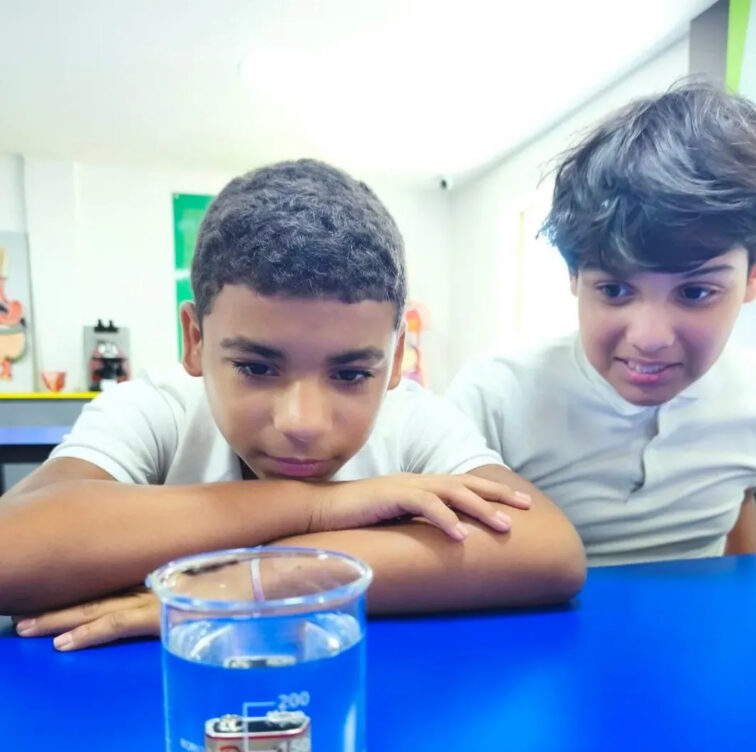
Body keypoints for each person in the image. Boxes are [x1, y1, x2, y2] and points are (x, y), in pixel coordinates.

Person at [0, 159, 585, 649]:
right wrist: (319, 506)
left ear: (396, 358)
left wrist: (248, 582)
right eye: (256, 368)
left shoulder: (412, 419)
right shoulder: (157, 410)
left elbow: (548, 549)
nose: (302, 423)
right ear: (195, 339)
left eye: (351, 373)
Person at [449, 81, 756, 566]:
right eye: (615, 290)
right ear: (574, 276)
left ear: (754, 276)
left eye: (695, 292)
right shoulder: (494, 397)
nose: (649, 339)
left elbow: (739, 506)